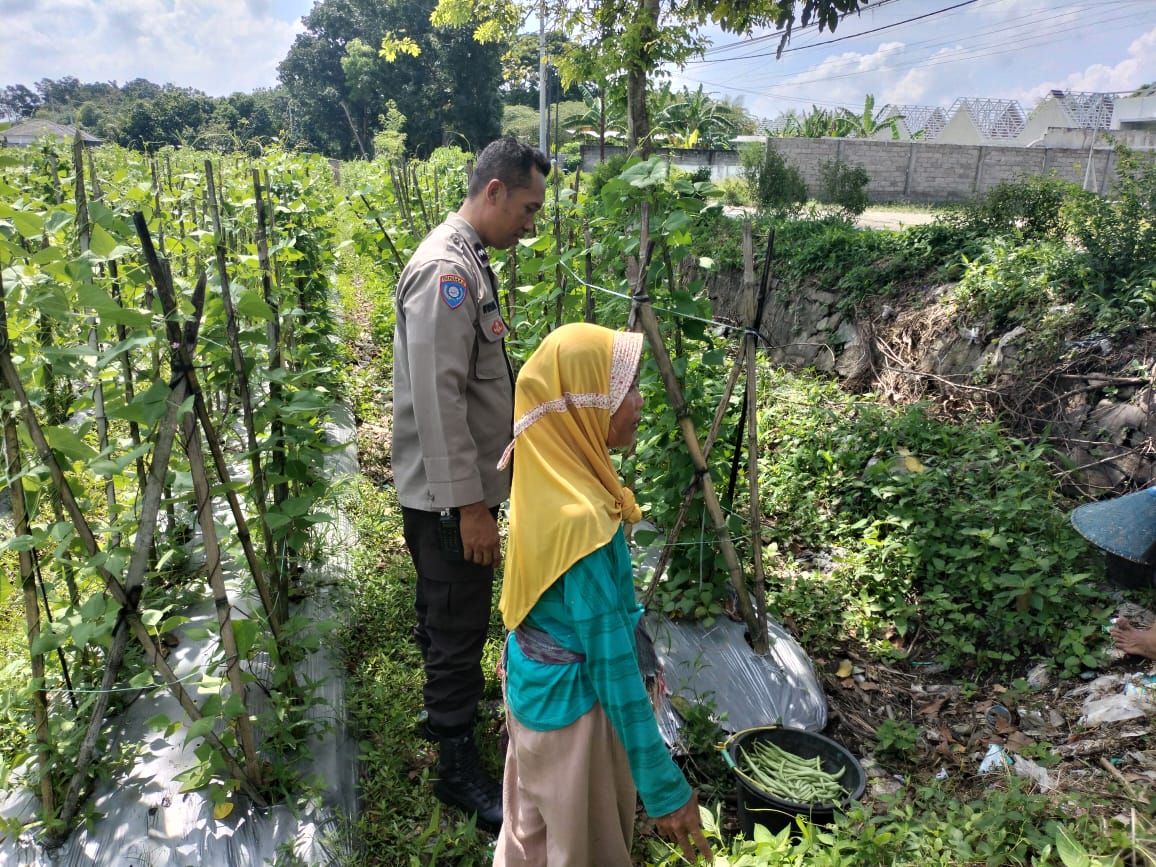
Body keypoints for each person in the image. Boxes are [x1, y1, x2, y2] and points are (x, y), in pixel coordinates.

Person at [492, 323, 713, 866]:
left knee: (528, 838)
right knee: (584, 849)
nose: (639, 402)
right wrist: (664, 787)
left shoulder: (546, 476)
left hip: (531, 692)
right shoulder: (585, 525)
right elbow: (612, 667)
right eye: (626, 390)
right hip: (574, 722)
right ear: (584, 405)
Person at [392, 136, 549, 830]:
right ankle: (455, 769)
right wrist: (471, 508)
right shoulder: (445, 273)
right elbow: (440, 400)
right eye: (527, 207)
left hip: (453, 497)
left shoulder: (469, 260)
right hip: (449, 501)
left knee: (446, 612)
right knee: (458, 622)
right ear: (493, 191)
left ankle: (445, 713)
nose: (530, 223)